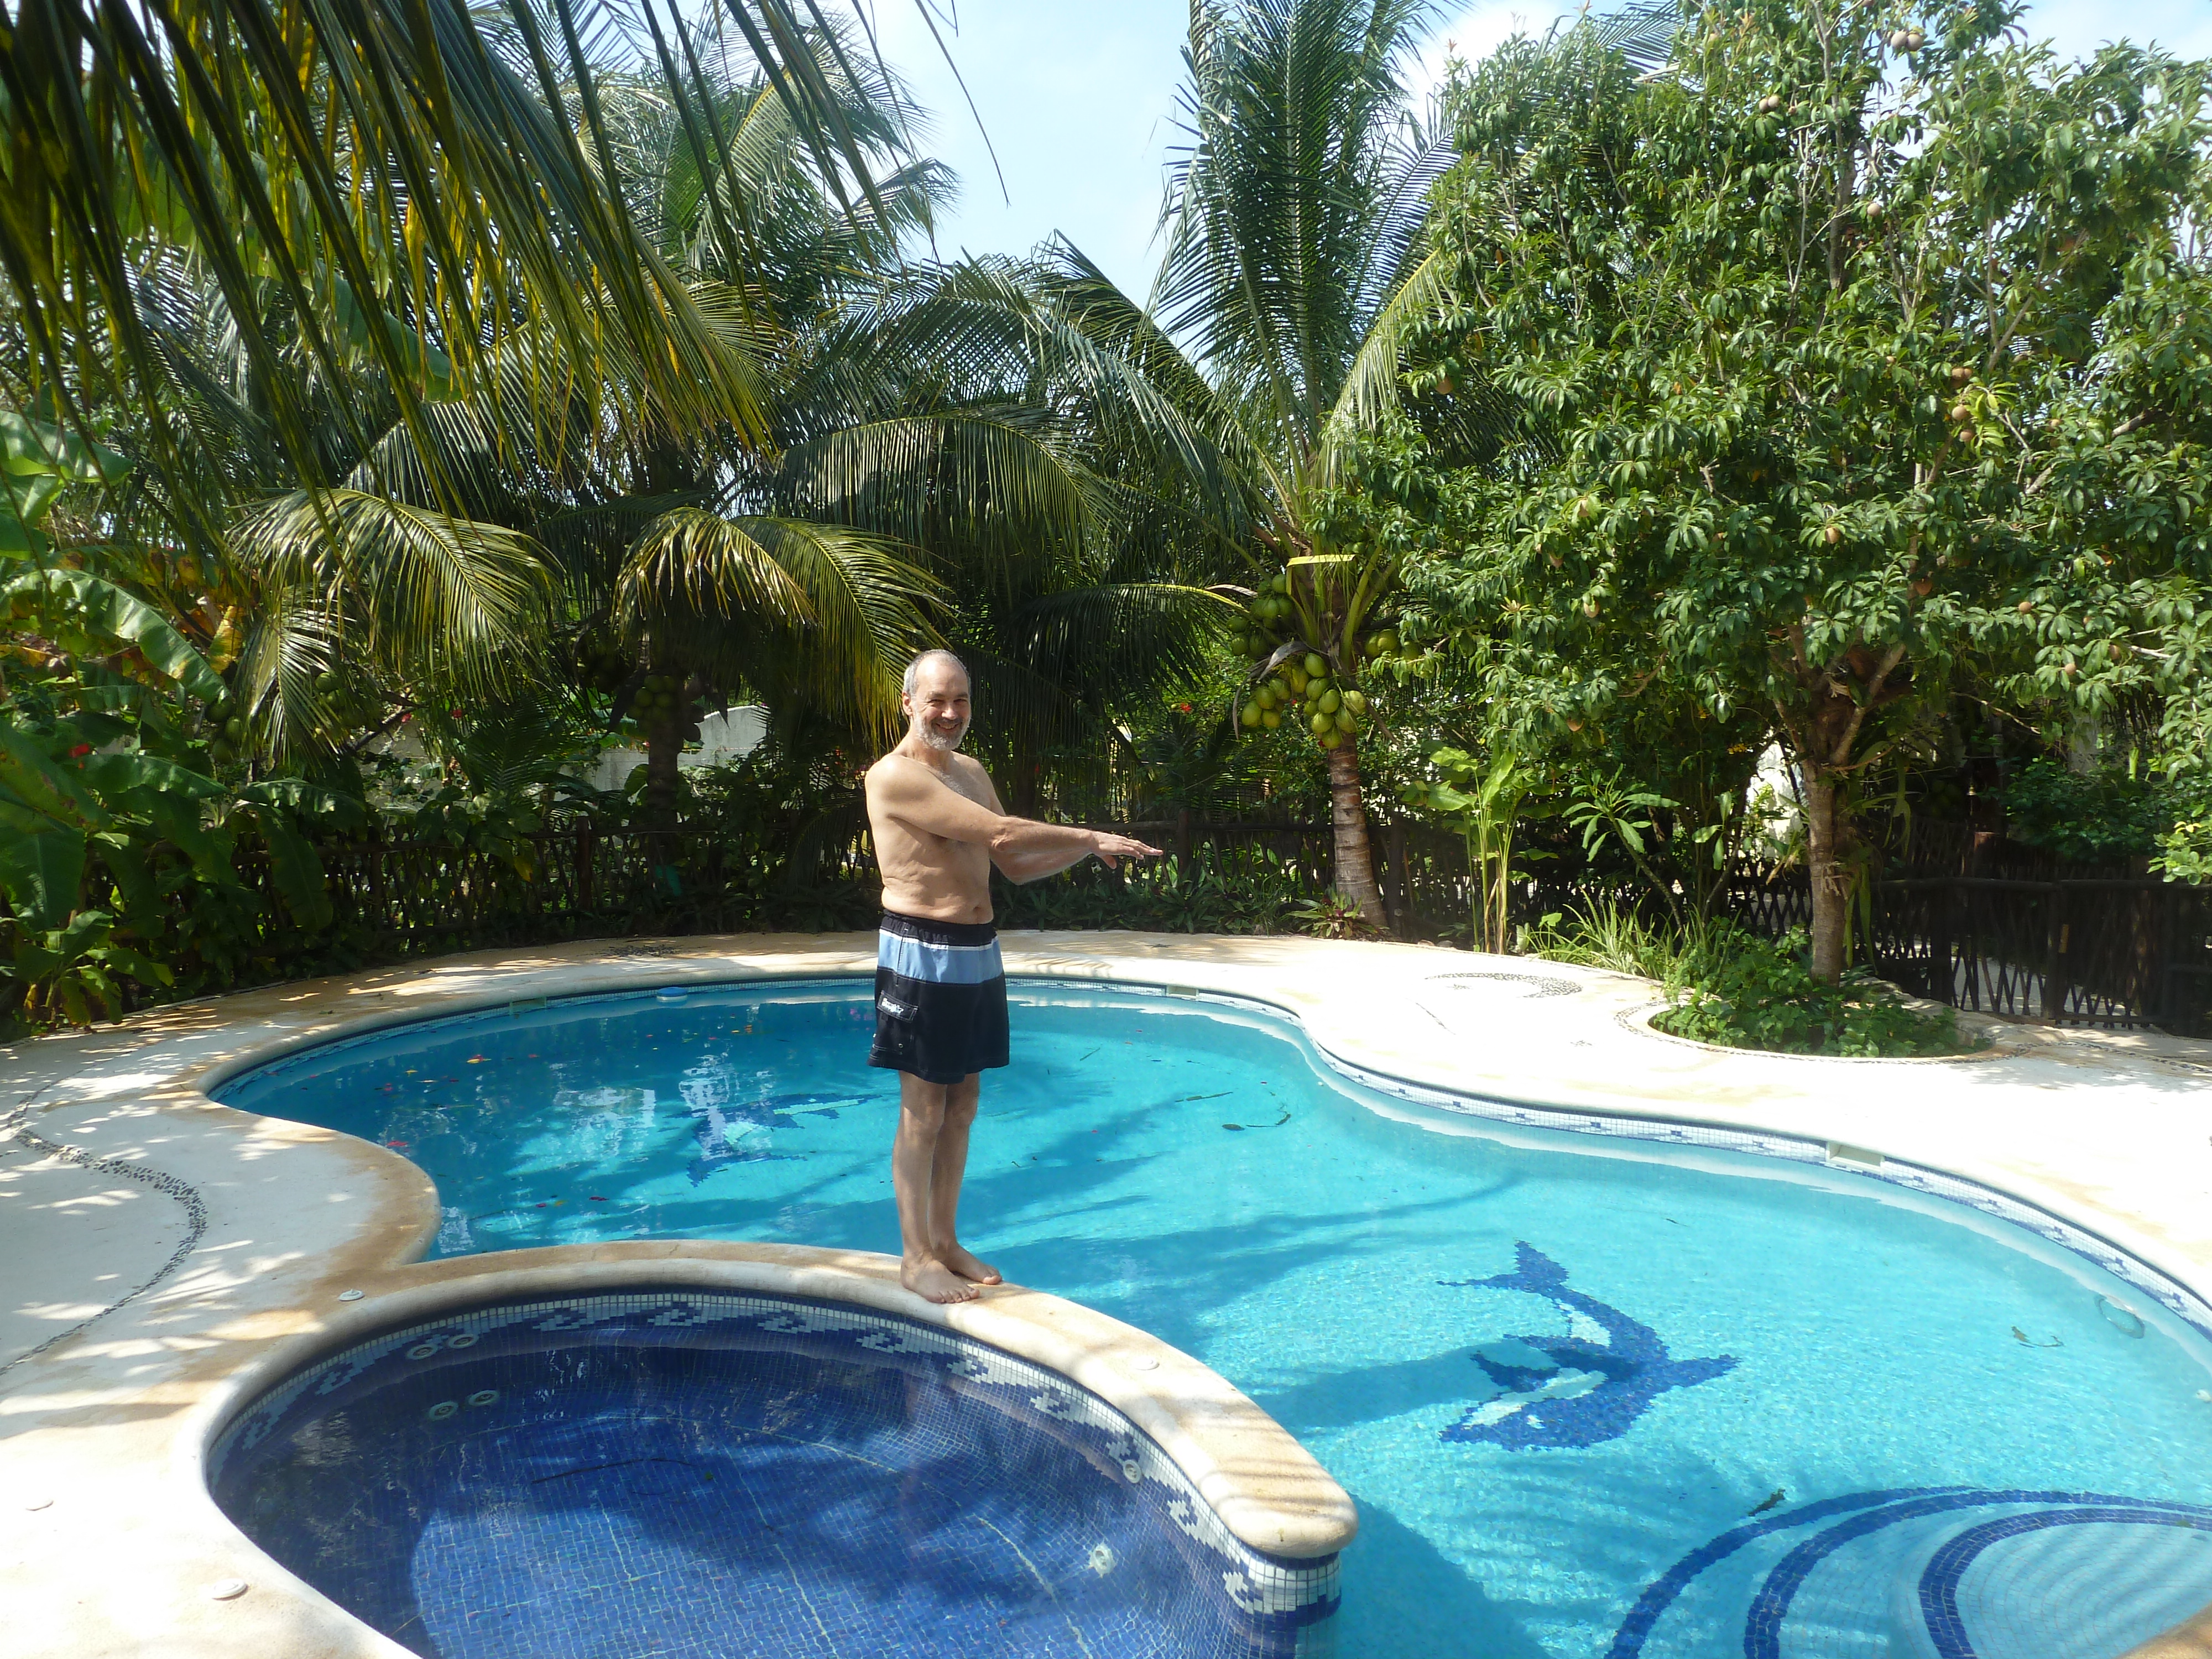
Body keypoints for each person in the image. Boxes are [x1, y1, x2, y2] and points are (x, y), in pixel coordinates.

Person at [864, 649, 1161, 1303]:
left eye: (960, 700)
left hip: (976, 948)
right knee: (923, 1110)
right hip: (921, 950)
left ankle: (944, 1241)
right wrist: (1088, 836)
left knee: (962, 1105)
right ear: (908, 703)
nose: (949, 713)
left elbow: (1013, 862)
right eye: (937, 700)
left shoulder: (971, 772)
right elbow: (999, 830)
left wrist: (1082, 854)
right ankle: (915, 1258)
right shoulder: (893, 776)